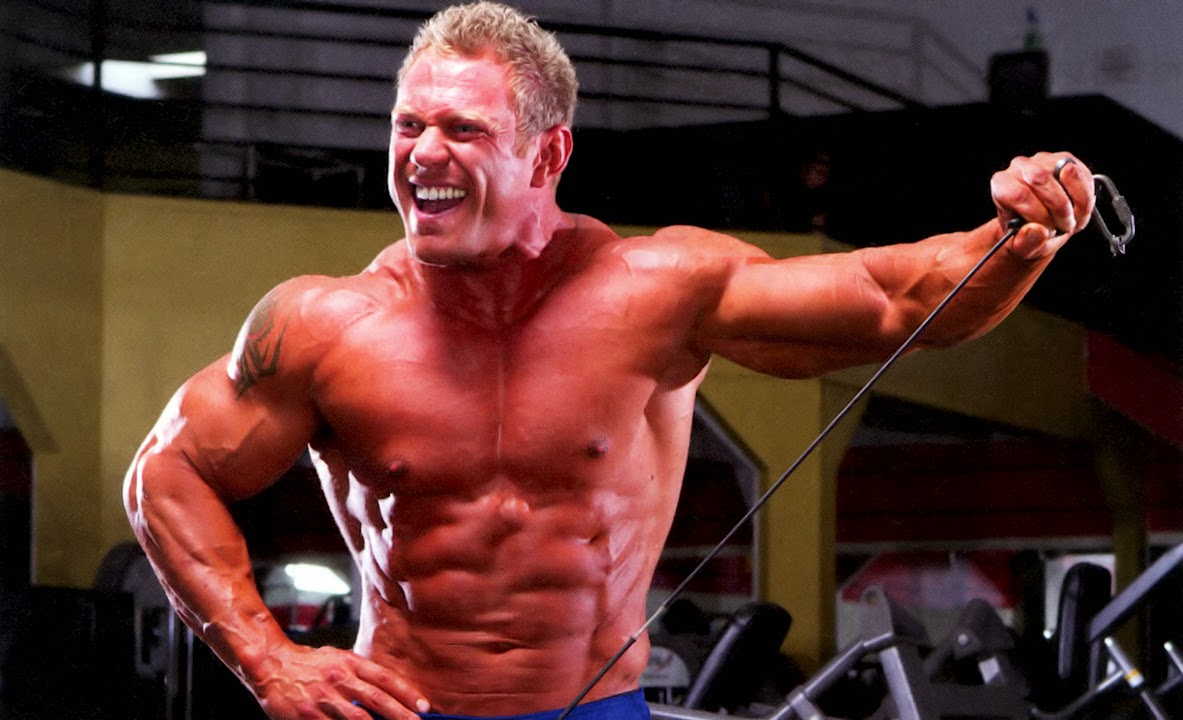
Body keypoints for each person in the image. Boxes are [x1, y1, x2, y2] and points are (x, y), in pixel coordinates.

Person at [122, 3, 1097, 720]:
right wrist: (267, 659)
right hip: (399, 709)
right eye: (408, 125)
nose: (423, 152)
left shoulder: (656, 292)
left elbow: (900, 299)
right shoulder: (324, 324)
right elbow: (166, 474)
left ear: (547, 157)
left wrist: (1021, 237)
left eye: (463, 130)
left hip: (594, 709)